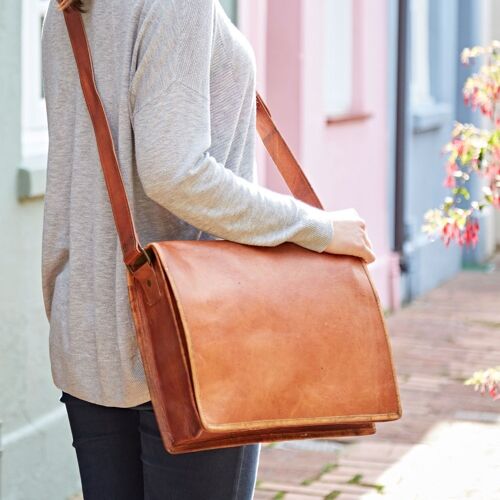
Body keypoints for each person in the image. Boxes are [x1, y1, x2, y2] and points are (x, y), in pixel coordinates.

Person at [41, 0, 376, 498]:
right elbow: (177, 174)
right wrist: (317, 228)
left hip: (87, 333)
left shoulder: (67, 6)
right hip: (191, 339)